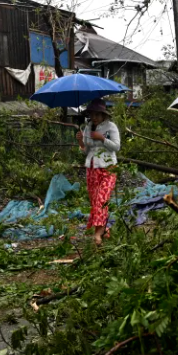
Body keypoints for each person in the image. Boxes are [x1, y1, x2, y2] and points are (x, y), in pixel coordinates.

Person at [75, 98, 120, 246]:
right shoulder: (88, 128)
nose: (93, 117)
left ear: (103, 114)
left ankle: (97, 235)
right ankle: (104, 229)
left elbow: (116, 147)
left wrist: (102, 138)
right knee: (95, 201)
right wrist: (81, 142)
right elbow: (87, 151)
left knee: (102, 199)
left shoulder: (110, 127)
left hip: (108, 167)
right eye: (91, 114)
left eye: (96, 114)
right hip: (92, 168)